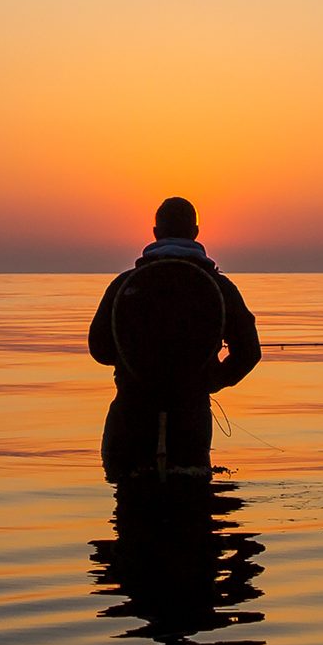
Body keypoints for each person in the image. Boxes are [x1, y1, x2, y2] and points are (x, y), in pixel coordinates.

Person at [90, 196, 261, 480]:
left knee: (130, 512)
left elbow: (100, 350)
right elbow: (249, 352)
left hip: (130, 417)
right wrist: (212, 380)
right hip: (190, 420)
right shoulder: (220, 287)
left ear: (156, 232)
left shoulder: (124, 284)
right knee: (193, 510)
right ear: (195, 232)